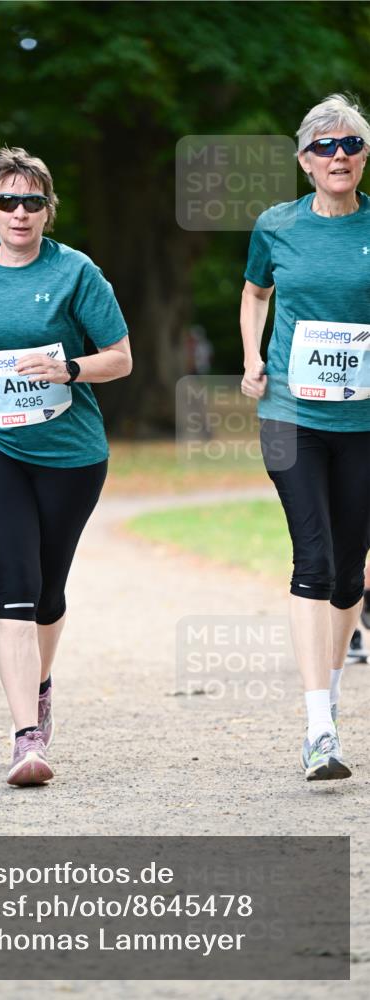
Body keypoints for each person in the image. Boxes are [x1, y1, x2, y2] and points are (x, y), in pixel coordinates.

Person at [0, 146, 132, 786]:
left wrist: (70, 367)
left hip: (70, 452)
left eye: (32, 202)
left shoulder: (78, 273)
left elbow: (120, 357)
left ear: (47, 210)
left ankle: (40, 684)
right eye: (7, 201)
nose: (20, 212)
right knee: (11, 579)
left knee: (47, 588)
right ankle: (25, 737)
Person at [240, 94, 370, 781]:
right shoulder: (275, 225)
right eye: (323, 147)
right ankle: (316, 725)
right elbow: (254, 292)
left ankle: (333, 696)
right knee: (312, 560)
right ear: (302, 161)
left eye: (348, 143)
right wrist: (250, 355)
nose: (337, 155)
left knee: (350, 571)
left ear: (363, 154)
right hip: (291, 416)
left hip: (364, 423)